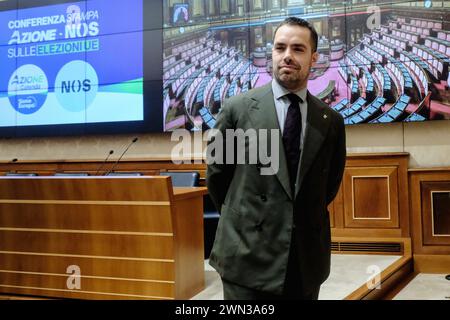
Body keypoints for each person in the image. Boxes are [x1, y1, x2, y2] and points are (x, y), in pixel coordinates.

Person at [206, 17, 346, 300]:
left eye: (298, 49)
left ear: (314, 57)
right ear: (271, 52)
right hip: (245, 257)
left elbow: (327, 187)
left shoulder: (330, 120)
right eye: (280, 47)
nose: (287, 56)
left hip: (304, 260)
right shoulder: (236, 110)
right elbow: (217, 177)